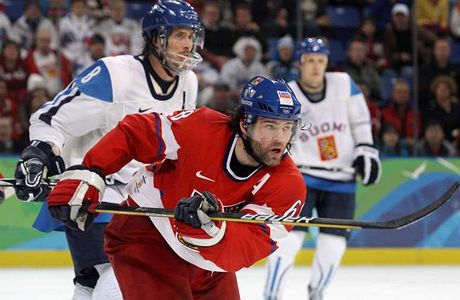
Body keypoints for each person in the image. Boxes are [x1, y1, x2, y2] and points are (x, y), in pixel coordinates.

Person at [46, 76, 307, 299]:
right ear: (244, 125)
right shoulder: (200, 128)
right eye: (270, 126)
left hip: (210, 265)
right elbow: (135, 133)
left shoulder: (289, 185)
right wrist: (92, 171)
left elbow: (248, 247)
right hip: (148, 234)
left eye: (287, 128)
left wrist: (211, 229)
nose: (280, 139)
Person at [13, 1, 204, 299]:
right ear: (156, 39)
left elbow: (177, 146)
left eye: (191, 36)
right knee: (118, 280)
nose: (188, 44)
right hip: (93, 192)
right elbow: (52, 117)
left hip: (142, 202)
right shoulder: (115, 74)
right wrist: (41, 152)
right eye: (179, 35)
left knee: (92, 283)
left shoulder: (188, 83)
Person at [264, 37, 382, 300]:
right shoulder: (288, 92)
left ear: (327, 62)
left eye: (320, 61)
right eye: (310, 61)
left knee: (333, 247)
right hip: (300, 177)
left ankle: (316, 293)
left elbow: (361, 121)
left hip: (342, 178)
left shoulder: (344, 84)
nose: (315, 67)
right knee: (288, 242)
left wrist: (365, 149)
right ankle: (271, 296)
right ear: (300, 64)